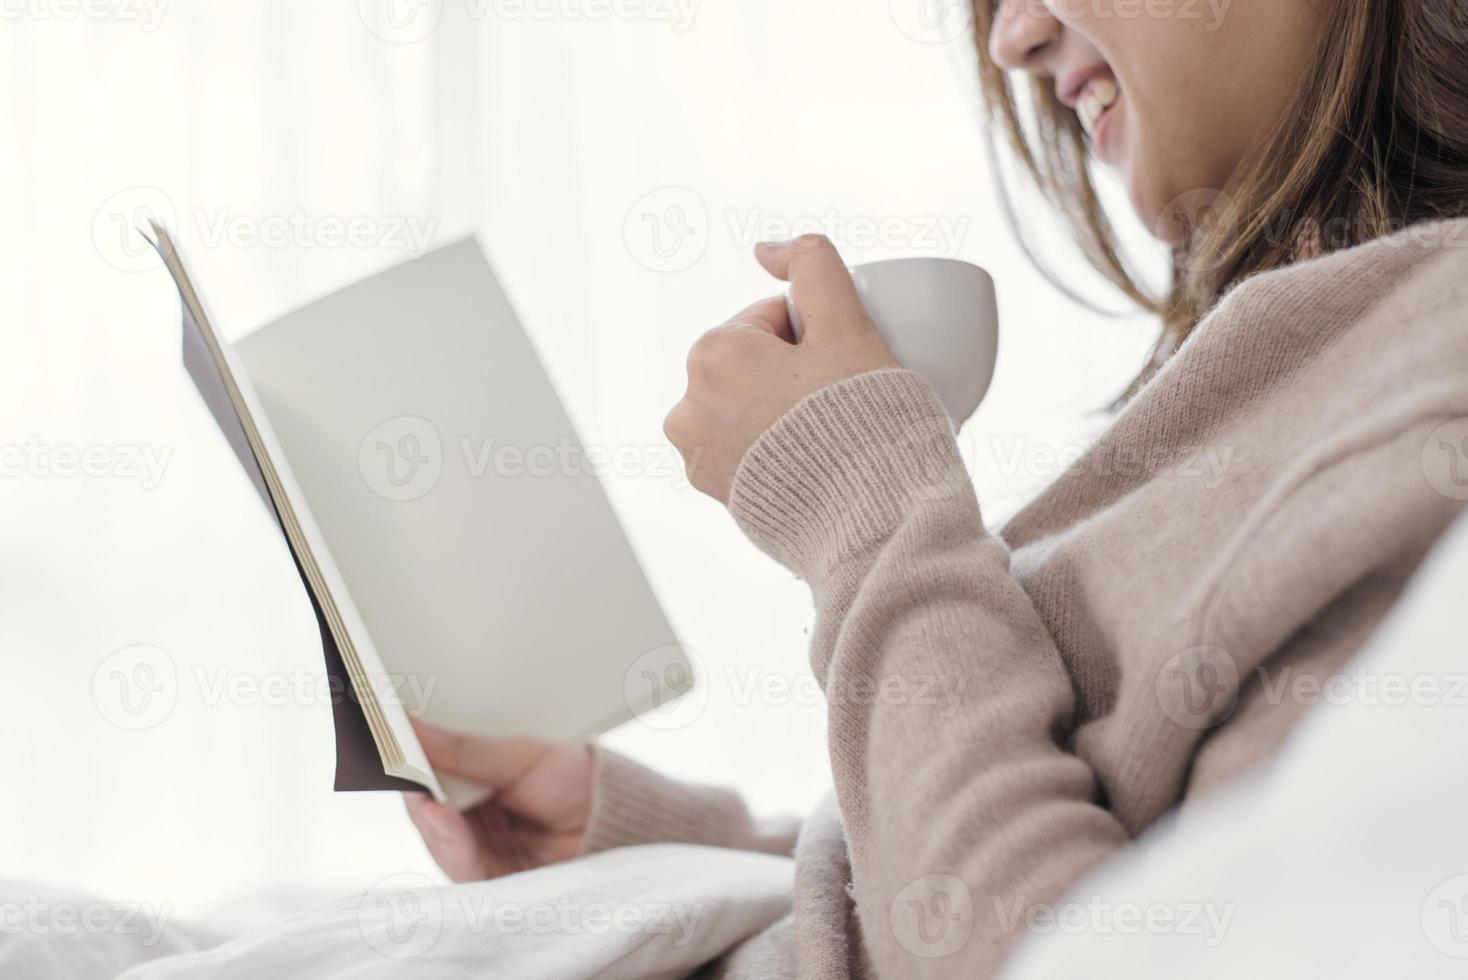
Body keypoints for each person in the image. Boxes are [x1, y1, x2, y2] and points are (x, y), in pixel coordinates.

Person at [406, 1, 1468, 976]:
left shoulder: (1432, 375)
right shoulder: (1330, 350)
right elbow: (1093, 872)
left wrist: (863, 511)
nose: (1010, 37)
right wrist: (647, 839)